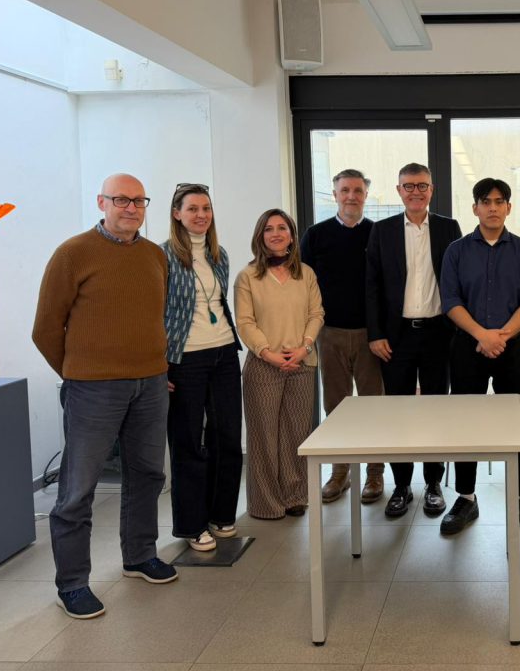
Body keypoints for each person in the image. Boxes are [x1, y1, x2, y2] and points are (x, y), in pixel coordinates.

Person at [33, 173, 177, 620]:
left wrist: (155, 365)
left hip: (150, 384)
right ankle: (73, 583)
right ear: (102, 202)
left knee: (148, 475)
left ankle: (140, 555)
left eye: (139, 201)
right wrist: (78, 374)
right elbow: (45, 329)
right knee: (78, 489)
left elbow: (154, 317)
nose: (131, 208)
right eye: (121, 200)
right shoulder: (73, 253)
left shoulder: (155, 256)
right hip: (92, 390)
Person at [438, 178, 520, 534]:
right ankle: (466, 497)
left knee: (519, 423)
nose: (493, 207)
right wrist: (482, 335)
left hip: (512, 347)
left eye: (500, 201)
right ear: (475, 208)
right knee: (466, 421)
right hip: (467, 346)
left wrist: (502, 335)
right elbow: (450, 300)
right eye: (486, 201)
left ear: (509, 207)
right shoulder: (456, 251)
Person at [366, 163, 462, 518]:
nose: (416, 192)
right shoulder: (383, 230)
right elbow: (372, 285)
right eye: (409, 186)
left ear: (431, 189)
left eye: (422, 185)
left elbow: (458, 279)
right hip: (396, 337)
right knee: (399, 413)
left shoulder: (449, 228)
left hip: (439, 333)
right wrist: (376, 333)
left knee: (436, 411)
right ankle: (402, 485)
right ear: (399, 191)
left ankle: (433, 483)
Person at [164, 183, 243, 552]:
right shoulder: (162, 256)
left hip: (224, 353)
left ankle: (222, 514)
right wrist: (160, 364)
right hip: (185, 359)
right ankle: (192, 525)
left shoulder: (218, 254)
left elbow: (218, 301)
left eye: (206, 208)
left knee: (227, 438)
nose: (201, 215)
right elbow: (155, 313)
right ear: (177, 214)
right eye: (192, 208)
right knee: (188, 442)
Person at [300, 169, 385, 505]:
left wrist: (382, 332)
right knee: (335, 406)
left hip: (370, 336)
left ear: (366, 195)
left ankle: (375, 473)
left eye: (358, 190)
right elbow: (303, 284)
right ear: (334, 195)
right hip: (330, 333)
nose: (351, 196)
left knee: (373, 406)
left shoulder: (378, 234)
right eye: (345, 190)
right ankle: (340, 472)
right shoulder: (315, 235)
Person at [234, 209, 324, 519]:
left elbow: (316, 314)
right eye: (269, 229)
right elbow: (245, 322)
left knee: (297, 433)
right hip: (263, 365)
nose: (276, 234)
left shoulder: (305, 274)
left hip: (302, 363)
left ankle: (295, 496)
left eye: (282, 228)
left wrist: (304, 347)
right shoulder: (248, 277)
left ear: (291, 235)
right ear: (260, 236)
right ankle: (266, 504)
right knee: (264, 437)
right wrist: (268, 353)